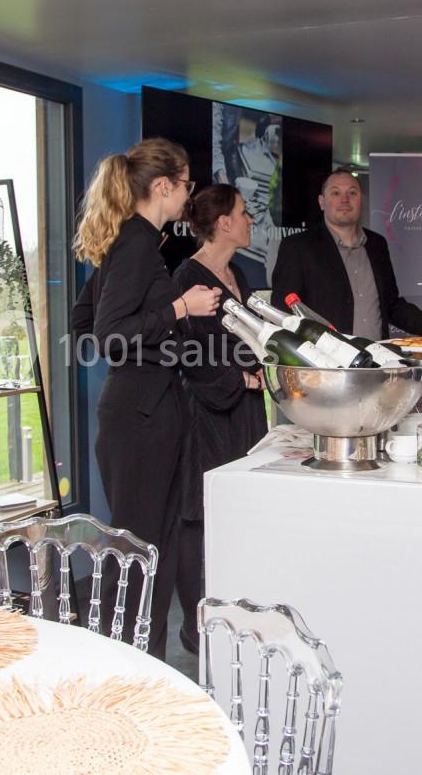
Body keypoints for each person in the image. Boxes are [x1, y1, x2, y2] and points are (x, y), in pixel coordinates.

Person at [70, 137, 221, 659]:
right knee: (140, 552)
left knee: (151, 547)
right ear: (162, 186)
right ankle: (130, 667)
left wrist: (157, 347)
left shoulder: (132, 241)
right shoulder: (134, 243)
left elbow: (85, 322)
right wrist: (179, 309)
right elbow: (109, 334)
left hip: (145, 409)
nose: (188, 195)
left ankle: (142, 665)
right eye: (186, 184)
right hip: (140, 418)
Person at [171, 184, 269, 655]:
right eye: (244, 213)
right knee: (198, 514)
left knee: (242, 506)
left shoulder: (239, 273)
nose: (251, 221)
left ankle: (236, 611)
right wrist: (242, 381)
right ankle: (195, 626)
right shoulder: (187, 277)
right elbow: (191, 355)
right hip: (206, 413)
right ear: (224, 223)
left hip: (245, 411)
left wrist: (264, 370)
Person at [271, 169, 422, 338]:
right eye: (336, 193)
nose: (344, 199)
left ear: (361, 200)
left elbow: (391, 306)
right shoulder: (297, 247)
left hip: (376, 360)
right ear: (322, 202)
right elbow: (283, 313)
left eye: (352, 193)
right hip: (324, 363)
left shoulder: (377, 245)